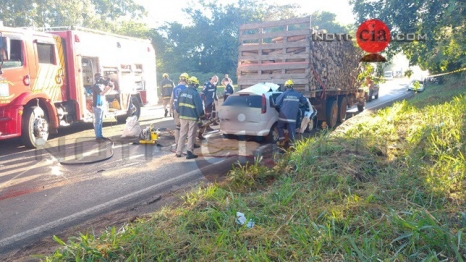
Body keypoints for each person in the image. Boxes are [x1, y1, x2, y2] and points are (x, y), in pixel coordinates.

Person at [176, 76, 204, 159]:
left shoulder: (182, 92)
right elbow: (199, 107)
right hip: (192, 117)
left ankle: (178, 152)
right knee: (191, 134)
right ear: (195, 84)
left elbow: (177, 107)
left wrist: (180, 113)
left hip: (182, 116)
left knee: (182, 134)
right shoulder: (195, 93)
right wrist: (202, 116)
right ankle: (189, 152)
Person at [275, 79, 308, 147]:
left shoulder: (283, 94)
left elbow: (277, 103)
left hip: (283, 116)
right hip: (292, 117)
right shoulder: (298, 95)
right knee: (292, 130)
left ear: (286, 86)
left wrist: (281, 108)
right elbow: (305, 101)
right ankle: (292, 145)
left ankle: (282, 141)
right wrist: (299, 105)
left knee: (279, 127)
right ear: (292, 86)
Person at [92, 73, 114, 141]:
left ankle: (100, 135)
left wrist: (110, 87)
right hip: (97, 106)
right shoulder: (95, 86)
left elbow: (106, 92)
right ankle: (98, 137)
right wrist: (108, 87)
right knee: (98, 122)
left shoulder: (100, 86)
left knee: (100, 122)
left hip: (100, 106)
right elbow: (101, 93)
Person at [170, 73, 189, 147]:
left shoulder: (174, 88)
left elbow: (171, 100)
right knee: (184, 127)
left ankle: (177, 142)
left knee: (177, 127)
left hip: (176, 109)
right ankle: (183, 142)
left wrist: (170, 109)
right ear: (186, 79)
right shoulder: (186, 88)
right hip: (184, 110)